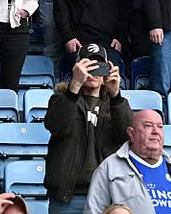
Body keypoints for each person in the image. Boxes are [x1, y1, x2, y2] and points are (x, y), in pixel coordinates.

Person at [44, 45, 131, 214]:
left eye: (99, 66)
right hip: (68, 196)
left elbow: (126, 137)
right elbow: (56, 126)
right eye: (88, 65)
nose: (94, 71)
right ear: (78, 69)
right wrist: (74, 86)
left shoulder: (115, 104)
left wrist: (116, 95)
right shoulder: (60, 99)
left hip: (106, 195)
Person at [85, 109, 171, 214]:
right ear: (131, 133)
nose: (155, 132)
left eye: (160, 127)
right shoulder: (109, 168)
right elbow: (94, 210)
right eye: (148, 126)